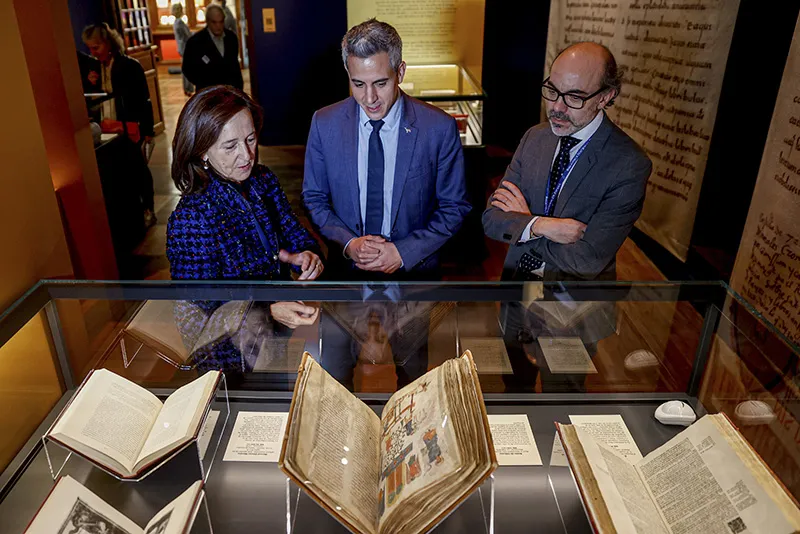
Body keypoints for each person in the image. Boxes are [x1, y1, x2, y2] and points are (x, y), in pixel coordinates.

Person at [302, 19, 470, 389]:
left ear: (401, 71)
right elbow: (314, 198)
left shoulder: (438, 128)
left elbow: (454, 207)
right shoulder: (324, 123)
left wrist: (403, 252)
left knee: (413, 379)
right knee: (334, 377)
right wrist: (349, 243)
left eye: (381, 83)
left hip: (413, 281)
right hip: (345, 281)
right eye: (358, 84)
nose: (370, 98)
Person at [482, 42, 652, 392]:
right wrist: (544, 225)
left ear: (606, 96)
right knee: (513, 386)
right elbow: (492, 220)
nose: (557, 108)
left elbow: (587, 259)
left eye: (574, 97)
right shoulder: (534, 138)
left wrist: (523, 225)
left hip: (573, 310)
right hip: (517, 296)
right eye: (552, 91)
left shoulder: (629, 164)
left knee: (562, 399)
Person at [167, 86, 323, 370]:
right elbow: (197, 321)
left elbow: (296, 235)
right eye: (230, 146)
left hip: (278, 339)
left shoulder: (263, 181)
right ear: (202, 152)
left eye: (251, 139)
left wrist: (307, 256)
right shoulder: (191, 219)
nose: (247, 155)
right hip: (233, 361)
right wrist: (268, 311)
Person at [82, 23, 157, 228]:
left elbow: (144, 100)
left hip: (128, 125)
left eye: (96, 47)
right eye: (90, 48)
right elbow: (91, 97)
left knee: (138, 168)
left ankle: (147, 208)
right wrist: (91, 82)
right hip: (106, 127)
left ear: (107, 43)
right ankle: (128, 214)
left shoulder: (129, 66)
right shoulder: (94, 67)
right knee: (118, 172)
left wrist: (148, 131)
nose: (93, 52)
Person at [182, 4, 243, 91]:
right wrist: (202, 84)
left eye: (221, 22)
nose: (218, 26)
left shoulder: (231, 38)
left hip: (230, 93)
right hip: (208, 93)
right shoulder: (196, 42)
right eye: (214, 22)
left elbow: (235, 66)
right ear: (207, 21)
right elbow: (187, 68)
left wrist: (238, 87)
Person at [171, 3, 194, 96]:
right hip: (185, 47)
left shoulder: (176, 22)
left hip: (181, 47)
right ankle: (188, 89)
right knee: (188, 69)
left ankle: (187, 88)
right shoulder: (180, 22)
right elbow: (187, 35)